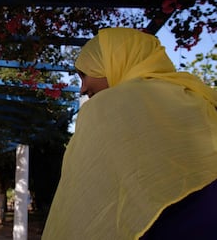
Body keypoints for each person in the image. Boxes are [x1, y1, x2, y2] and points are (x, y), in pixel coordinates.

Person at [42, 27, 217, 239]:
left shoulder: (107, 106)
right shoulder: (200, 99)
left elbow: (89, 201)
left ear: (114, 61)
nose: (82, 89)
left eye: (84, 75)